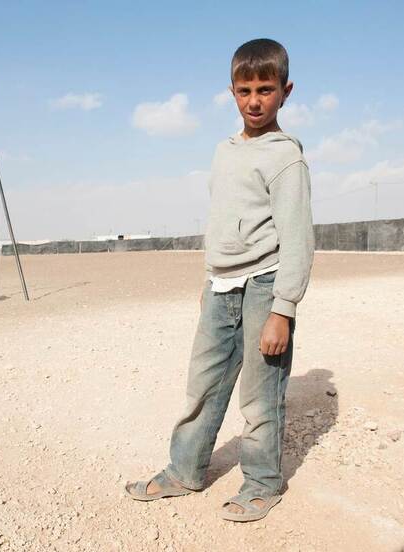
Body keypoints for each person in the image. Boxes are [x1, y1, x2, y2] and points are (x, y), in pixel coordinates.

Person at [125, 38, 314, 522]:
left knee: (259, 392)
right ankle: (185, 469)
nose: (255, 100)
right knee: (202, 385)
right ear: (230, 92)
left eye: (266, 89)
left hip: (266, 286)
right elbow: (225, 219)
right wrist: (212, 278)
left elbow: (297, 239)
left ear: (285, 91)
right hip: (221, 286)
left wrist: (282, 310)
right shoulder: (223, 151)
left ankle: (262, 482)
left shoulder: (285, 156)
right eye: (245, 89)